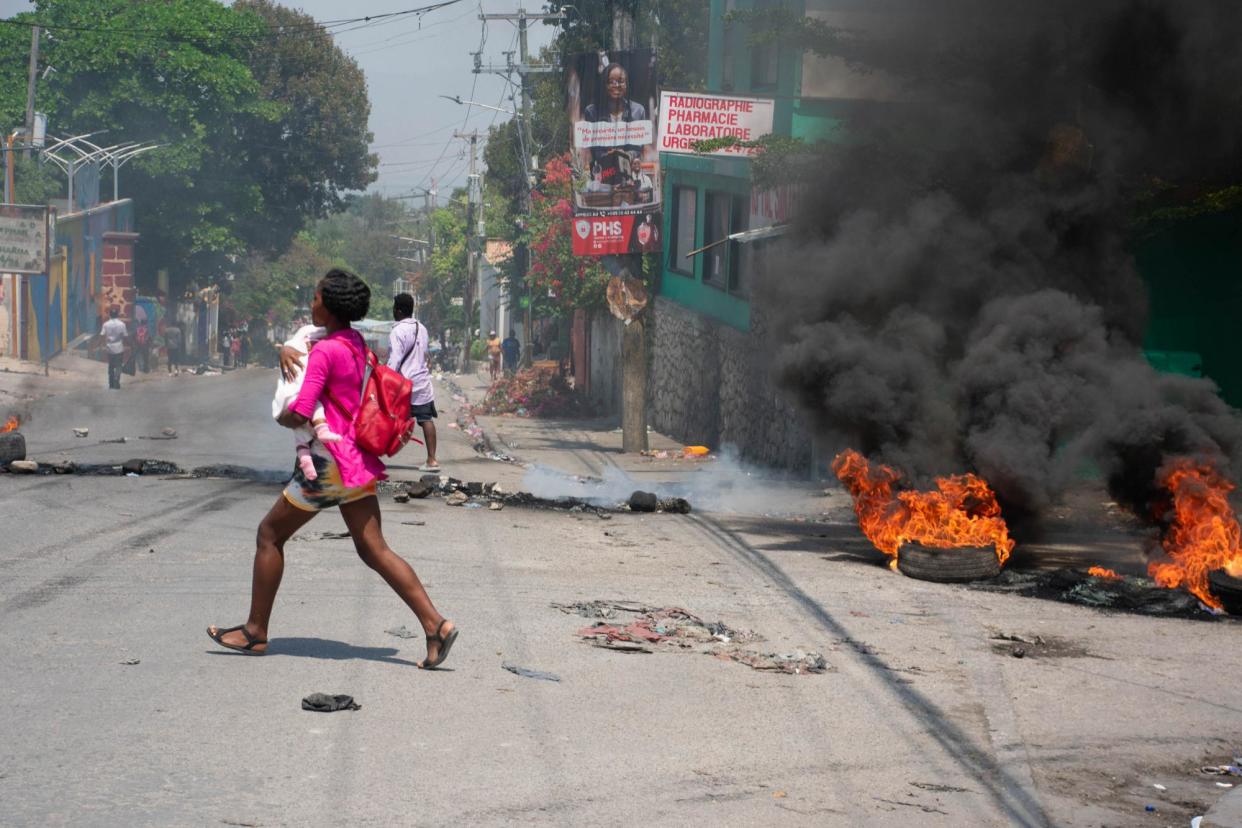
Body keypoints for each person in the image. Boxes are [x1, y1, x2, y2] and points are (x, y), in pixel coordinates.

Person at [208, 269, 458, 669]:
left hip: (327, 465)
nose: (311, 305)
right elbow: (303, 341)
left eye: (315, 298)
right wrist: (282, 350)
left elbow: (303, 410)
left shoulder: (325, 352)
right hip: (355, 459)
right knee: (374, 548)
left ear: (330, 304)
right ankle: (436, 625)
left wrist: (282, 414)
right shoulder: (354, 342)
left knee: (269, 535)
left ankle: (255, 632)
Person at [271, 324, 342, 482]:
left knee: (303, 435)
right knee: (304, 432)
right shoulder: (311, 340)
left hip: (331, 433)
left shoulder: (335, 345)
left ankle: (304, 474)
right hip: (315, 411)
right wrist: (287, 349)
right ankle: (302, 473)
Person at [389, 294, 439, 472]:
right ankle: (432, 460)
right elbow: (424, 353)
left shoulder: (397, 331)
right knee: (426, 419)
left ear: (399, 311)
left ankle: (373, 455)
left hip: (403, 384)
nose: (393, 311)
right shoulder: (422, 328)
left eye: (394, 307)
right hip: (422, 382)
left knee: (387, 417)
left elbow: (395, 358)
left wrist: (386, 377)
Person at [99, 306, 128, 390]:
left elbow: (102, 335)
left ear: (110, 315)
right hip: (119, 348)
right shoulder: (122, 324)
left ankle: (111, 383)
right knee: (119, 365)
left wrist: (102, 345)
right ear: (117, 315)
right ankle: (117, 379)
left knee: (111, 366)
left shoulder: (106, 324)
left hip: (109, 348)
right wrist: (128, 345)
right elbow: (125, 336)